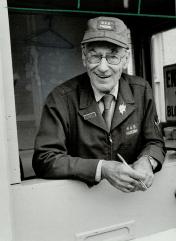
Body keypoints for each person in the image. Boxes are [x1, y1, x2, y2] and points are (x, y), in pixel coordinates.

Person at [32, 16, 166, 193]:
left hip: (131, 202)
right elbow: (45, 159)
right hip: (80, 205)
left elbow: (155, 142)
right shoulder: (60, 98)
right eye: (95, 56)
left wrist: (147, 160)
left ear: (125, 59)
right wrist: (101, 168)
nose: (103, 67)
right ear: (84, 57)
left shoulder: (141, 90)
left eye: (113, 57)